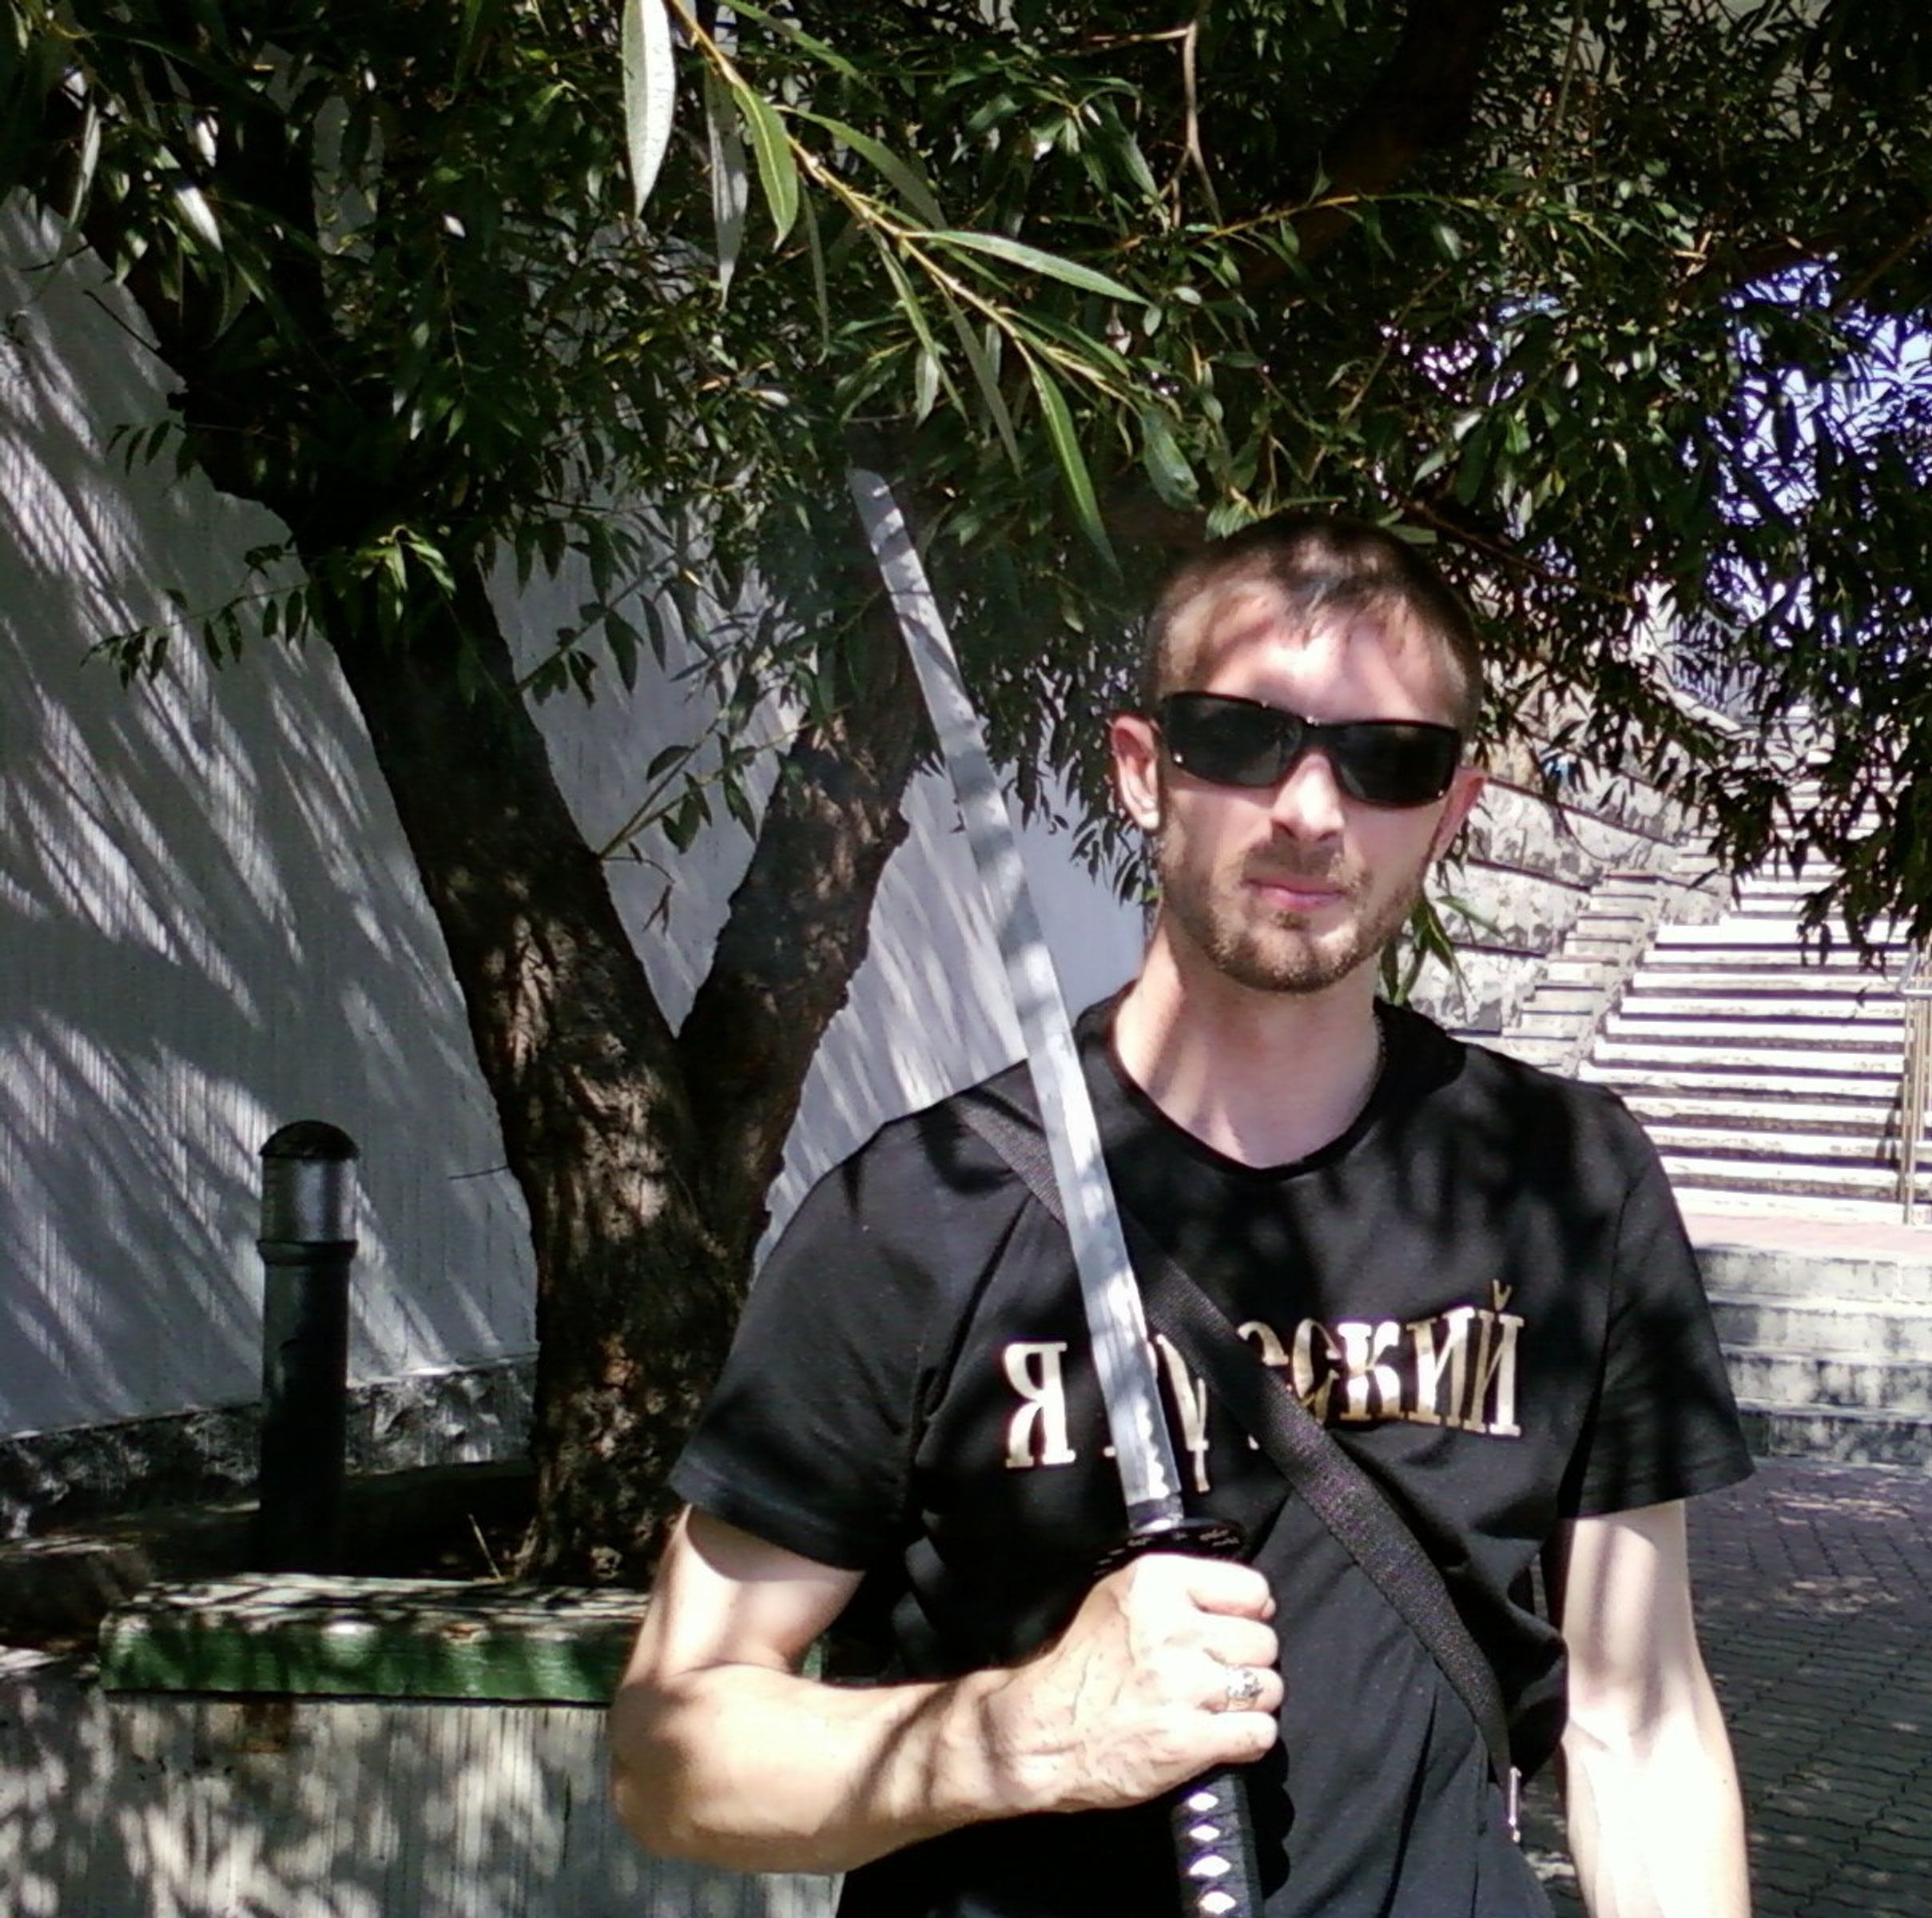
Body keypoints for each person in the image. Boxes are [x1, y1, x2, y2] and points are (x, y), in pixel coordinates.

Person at [610, 517, 1756, 1917]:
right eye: (1242, 739)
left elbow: (1638, 1721)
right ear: (1144, 770)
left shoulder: (1569, 1180)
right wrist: (1020, 1734)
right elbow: (669, 1755)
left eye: (1387, 760)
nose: (1311, 809)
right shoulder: (916, 1211)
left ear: (1452, 810)